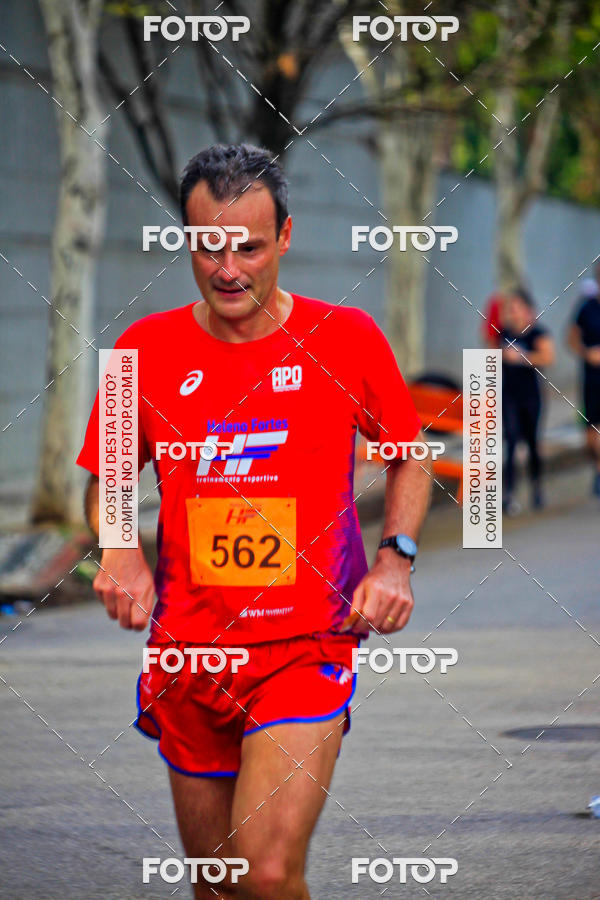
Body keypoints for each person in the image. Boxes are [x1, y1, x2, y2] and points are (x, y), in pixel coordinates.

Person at [76, 144, 432, 899]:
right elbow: (109, 475)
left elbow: (409, 458)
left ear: (286, 237)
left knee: (265, 874)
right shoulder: (142, 350)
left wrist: (395, 558)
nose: (228, 269)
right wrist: (118, 548)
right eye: (209, 247)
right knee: (218, 885)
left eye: (249, 247)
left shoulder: (347, 338)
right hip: (189, 655)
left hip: (306, 648)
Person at [500, 287, 555, 514]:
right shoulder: (504, 332)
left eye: (516, 308)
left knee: (532, 442)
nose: (512, 313)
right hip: (509, 396)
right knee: (511, 440)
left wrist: (522, 357)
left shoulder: (537, 333)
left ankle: (537, 488)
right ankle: (509, 494)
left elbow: (548, 357)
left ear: (527, 309)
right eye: (510, 309)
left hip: (531, 396)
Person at [567, 274, 600, 497]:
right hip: (591, 378)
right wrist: (587, 353)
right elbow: (571, 338)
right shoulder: (587, 308)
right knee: (590, 433)